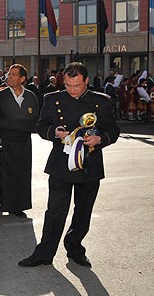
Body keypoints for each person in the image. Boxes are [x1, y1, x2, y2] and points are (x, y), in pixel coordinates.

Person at [19, 62, 120, 268]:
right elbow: (41, 125)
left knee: (83, 211)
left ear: (86, 82)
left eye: (77, 86)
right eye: (67, 85)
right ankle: (44, 254)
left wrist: (100, 139)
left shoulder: (101, 101)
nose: (72, 90)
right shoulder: (52, 99)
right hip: (61, 164)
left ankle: (75, 248)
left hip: (89, 164)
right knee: (55, 211)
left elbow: (113, 129)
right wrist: (54, 132)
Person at [0, 64, 39, 221]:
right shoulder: (1, 96)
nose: (9, 77)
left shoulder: (30, 97)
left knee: (20, 174)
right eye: (9, 74)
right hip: (4, 140)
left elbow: (34, 117)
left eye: (14, 75)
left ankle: (17, 206)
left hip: (23, 143)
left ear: (22, 79)